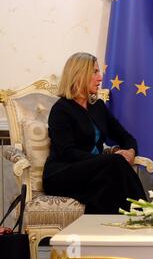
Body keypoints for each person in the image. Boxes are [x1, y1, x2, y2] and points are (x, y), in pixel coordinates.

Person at [43, 52, 147, 214]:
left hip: (97, 172)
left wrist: (131, 151)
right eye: (95, 72)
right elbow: (67, 153)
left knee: (108, 188)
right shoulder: (61, 110)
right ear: (79, 75)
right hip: (63, 173)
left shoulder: (98, 107)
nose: (100, 78)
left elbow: (126, 137)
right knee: (114, 163)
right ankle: (145, 213)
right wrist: (105, 159)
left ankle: (124, 228)